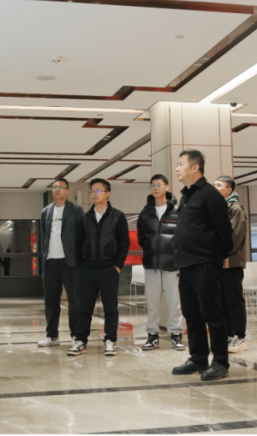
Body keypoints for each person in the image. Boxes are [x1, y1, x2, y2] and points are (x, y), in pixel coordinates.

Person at [171, 150, 234, 381]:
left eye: (181, 164)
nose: (177, 168)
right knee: (192, 314)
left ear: (195, 167)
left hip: (205, 262)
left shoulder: (210, 195)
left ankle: (220, 362)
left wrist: (223, 255)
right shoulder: (185, 196)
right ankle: (198, 358)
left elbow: (225, 231)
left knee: (212, 313)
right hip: (186, 263)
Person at [67, 179, 130, 358]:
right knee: (84, 308)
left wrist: (118, 266)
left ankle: (110, 340)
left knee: (110, 308)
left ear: (107, 193)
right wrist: (80, 266)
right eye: (92, 191)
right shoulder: (85, 218)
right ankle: (81, 341)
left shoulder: (118, 216)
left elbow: (124, 242)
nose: (94, 193)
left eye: (98, 190)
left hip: (109, 268)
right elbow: (78, 243)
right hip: (87, 269)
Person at [136, 174, 185, 351]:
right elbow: (141, 238)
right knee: (152, 301)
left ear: (166, 187)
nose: (155, 188)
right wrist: (151, 249)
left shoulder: (177, 211)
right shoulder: (145, 213)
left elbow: (182, 236)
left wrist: (175, 252)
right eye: (152, 185)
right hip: (152, 263)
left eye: (159, 184)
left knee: (174, 301)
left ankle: (176, 334)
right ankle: (152, 335)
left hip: (172, 263)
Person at [37, 178, 85, 348]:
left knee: (75, 300)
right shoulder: (46, 211)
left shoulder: (76, 210)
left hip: (70, 262)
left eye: (61, 187)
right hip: (50, 262)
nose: (57, 189)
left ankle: (76, 336)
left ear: (67, 191)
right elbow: (44, 235)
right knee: (50, 301)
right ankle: (52, 336)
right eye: (54, 187)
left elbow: (83, 234)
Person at [213, 176, 249, 353]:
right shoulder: (218, 208)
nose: (215, 187)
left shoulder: (235, 209)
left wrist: (222, 254)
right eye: (214, 185)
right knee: (222, 301)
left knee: (234, 300)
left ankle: (240, 337)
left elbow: (234, 237)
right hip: (218, 262)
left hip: (232, 262)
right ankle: (228, 335)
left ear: (230, 190)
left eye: (219, 185)